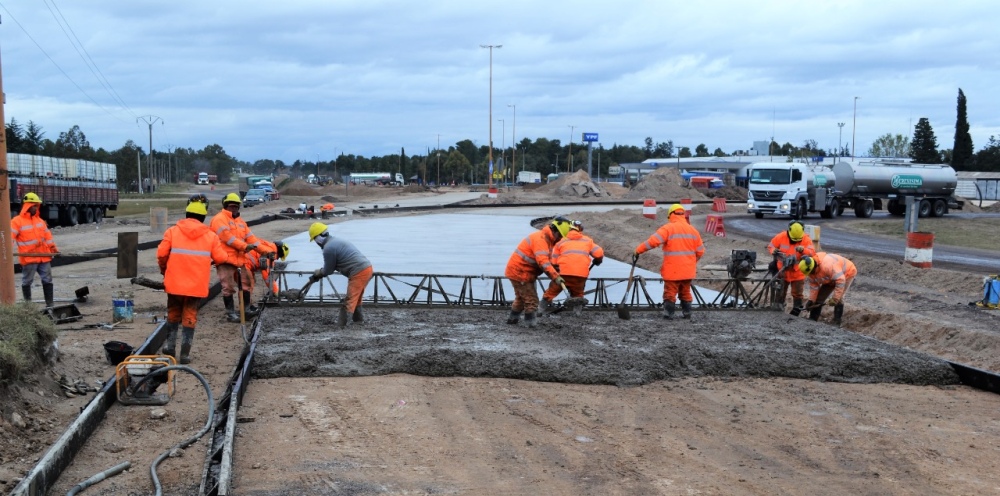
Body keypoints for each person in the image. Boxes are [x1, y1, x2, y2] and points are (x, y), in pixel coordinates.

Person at [156, 200, 228, 363]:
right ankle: (185, 354)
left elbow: (161, 254)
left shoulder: (173, 232)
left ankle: (170, 348)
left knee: (173, 313)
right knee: (190, 316)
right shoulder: (211, 236)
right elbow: (221, 257)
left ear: (187, 214)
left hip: (174, 283)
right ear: (203, 217)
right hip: (196, 286)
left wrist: (164, 271)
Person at [634, 204, 705, 319]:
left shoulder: (668, 228)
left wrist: (638, 250)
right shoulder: (693, 231)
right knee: (685, 292)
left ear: (671, 215)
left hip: (673, 270)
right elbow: (701, 251)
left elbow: (653, 242)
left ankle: (669, 314)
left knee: (670, 293)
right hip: (688, 270)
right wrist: (691, 262)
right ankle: (687, 313)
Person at [211, 193, 273, 322]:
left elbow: (253, 240)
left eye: (236, 206)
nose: (233, 209)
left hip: (239, 259)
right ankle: (230, 313)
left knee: (246, 283)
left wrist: (266, 251)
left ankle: (246, 309)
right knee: (228, 287)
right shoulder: (219, 219)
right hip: (225, 259)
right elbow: (228, 238)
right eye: (231, 206)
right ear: (225, 205)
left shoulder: (240, 222)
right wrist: (245, 247)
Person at [504, 216, 572, 327]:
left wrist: (554, 268)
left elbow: (545, 260)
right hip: (521, 272)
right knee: (531, 300)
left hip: (519, 271)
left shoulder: (546, 239)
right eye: (559, 235)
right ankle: (530, 325)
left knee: (521, 299)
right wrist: (555, 276)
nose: (560, 239)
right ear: (554, 230)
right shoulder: (541, 239)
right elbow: (543, 262)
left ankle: (512, 320)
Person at [307, 222, 374, 327]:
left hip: (359, 272)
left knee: (350, 300)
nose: (316, 242)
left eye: (315, 239)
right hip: (366, 268)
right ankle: (358, 321)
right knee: (357, 298)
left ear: (319, 238)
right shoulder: (335, 241)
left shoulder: (328, 249)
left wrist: (319, 272)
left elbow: (328, 270)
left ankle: (342, 325)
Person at [541, 221, 604, 314]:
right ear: (580, 229)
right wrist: (598, 261)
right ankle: (577, 314)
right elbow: (599, 253)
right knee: (578, 294)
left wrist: (556, 271)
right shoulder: (587, 240)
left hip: (563, 274)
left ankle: (539, 310)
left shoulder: (561, 241)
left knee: (550, 292)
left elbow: (553, 261)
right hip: (581, 274)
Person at [11, 192, 59, 307]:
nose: (36, 207)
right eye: (34, 205)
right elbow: (8, 239)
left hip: (44, 257)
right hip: (29, 258)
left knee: (47, 280)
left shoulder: (40, 221)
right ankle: (28, 307)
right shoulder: (16, 222)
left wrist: (53, 249)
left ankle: (50, 305)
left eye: (37, 205)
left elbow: (48, 238)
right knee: (27, 282)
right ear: (27, 205)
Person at [766, 220, 816, 316]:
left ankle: (796, 311)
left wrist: (803, 250)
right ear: (789, 232)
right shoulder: (781, 236)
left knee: (797, 293)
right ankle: (778, 308)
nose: (795, 242)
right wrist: (773, 250)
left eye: (797, 240)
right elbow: (771, 246)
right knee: (781, 290)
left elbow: (812, 252)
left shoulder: (806, 239)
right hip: (783, 270)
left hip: (797, 272)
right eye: (793, 239)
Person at [799, 252, 857, 326]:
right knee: (819, 298)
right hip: (831, 278)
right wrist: (811, 300)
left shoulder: (827, 266)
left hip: (847, 273)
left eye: (811, 272)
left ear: (814, 267)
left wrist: (835, 299)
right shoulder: (811, 273)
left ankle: (836, 322)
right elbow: (814, 287)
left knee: (839, 298)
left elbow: (840, 280)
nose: (811, 274)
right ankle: (813, 319)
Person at [243, 240, 289, 316]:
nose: (277, 259)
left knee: (250, 282)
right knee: (248, 284)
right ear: (280, 251)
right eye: (280, 256)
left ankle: (249, 306)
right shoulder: (269, 253)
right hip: (244, 264)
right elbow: (267, 276)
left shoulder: (268, 247)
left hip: (246, 264)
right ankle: (246, 309)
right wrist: (275, 291)